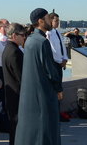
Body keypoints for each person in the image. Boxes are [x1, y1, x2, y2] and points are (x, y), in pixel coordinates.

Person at [15, 8, 64, 144]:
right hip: (43, 93)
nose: (50, 20)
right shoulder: (42, 42)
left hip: (31, 94)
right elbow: (50, 70)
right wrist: (59, 89)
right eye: (48, 18)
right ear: (40, 21)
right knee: (46, 128)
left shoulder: (30, 40)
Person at [1, 23, 25, 145]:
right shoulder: (15, 52)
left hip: (12, 96)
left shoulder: (8, 49)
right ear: (15, 35)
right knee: (17, 130)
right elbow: (22, 77)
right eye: (22, 35)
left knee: (14, 129)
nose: (24, 37)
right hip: (17, 96)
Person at [45, 12, 69, 123]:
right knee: (55, 89)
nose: (57, 23)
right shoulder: (48, 33)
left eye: (58, 21)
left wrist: (65, 59)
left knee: (59, 89)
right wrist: (60, 61)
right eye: (56, 21)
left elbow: (62, 47)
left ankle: (58, 112)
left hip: (60, 64)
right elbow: (52, 50)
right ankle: (54, 114)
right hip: (55, 64)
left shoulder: (57, 32)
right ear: (50, 21)